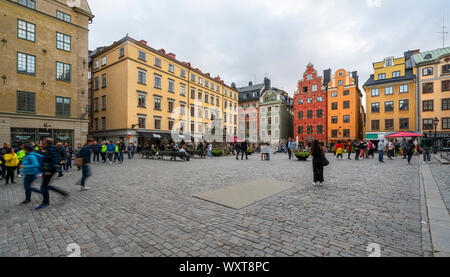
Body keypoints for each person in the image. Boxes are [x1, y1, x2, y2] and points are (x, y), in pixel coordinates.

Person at [35, 138, 69, 210]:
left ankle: (46, 202)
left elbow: (55, 161)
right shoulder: (50, 149)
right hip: (47, 170)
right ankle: (63, 193)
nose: (43, 143)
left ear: (46, 143)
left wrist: (49, 170)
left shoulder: (52, 149)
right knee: (46, 186)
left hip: (49, 171)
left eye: (44, 142)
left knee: (44, 187)